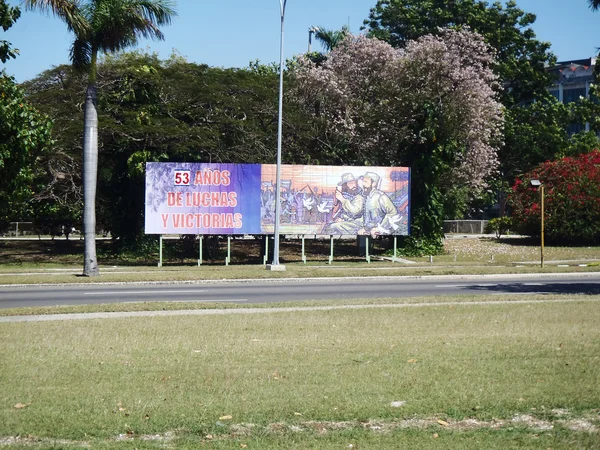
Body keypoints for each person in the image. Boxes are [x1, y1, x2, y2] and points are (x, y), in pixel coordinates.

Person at [359, 171, 398, 237]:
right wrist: (364, 228)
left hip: (377, 231)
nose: (363, 184)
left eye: (366, 182)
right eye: (363, 181)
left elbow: (393, 213)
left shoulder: (381, 197)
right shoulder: (367, 196)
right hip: (367, 230)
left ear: (373, 184)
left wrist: (380, 228)